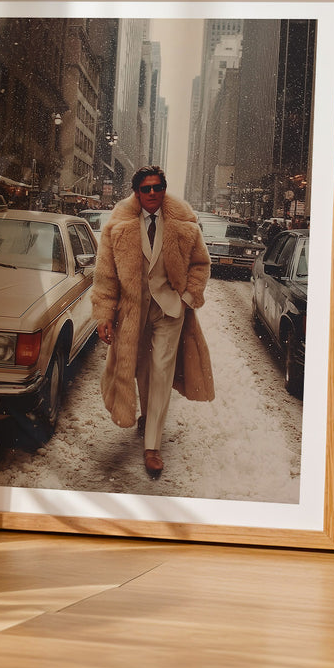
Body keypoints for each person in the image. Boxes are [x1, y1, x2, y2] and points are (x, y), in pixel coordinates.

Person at [91, 165, 215, 478]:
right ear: (136, 191)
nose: (152, 194)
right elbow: (105, 276)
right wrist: (105, 314)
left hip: (170, 310)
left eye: (157, 187)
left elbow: (201, 264)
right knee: (142, 371)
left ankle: (152, 447)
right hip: (134, 311)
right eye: (145, 188)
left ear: (163, 188)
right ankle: (148, 416)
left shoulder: (183, 222)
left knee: (162, 372)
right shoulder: (118, 225)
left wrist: (188, 299)